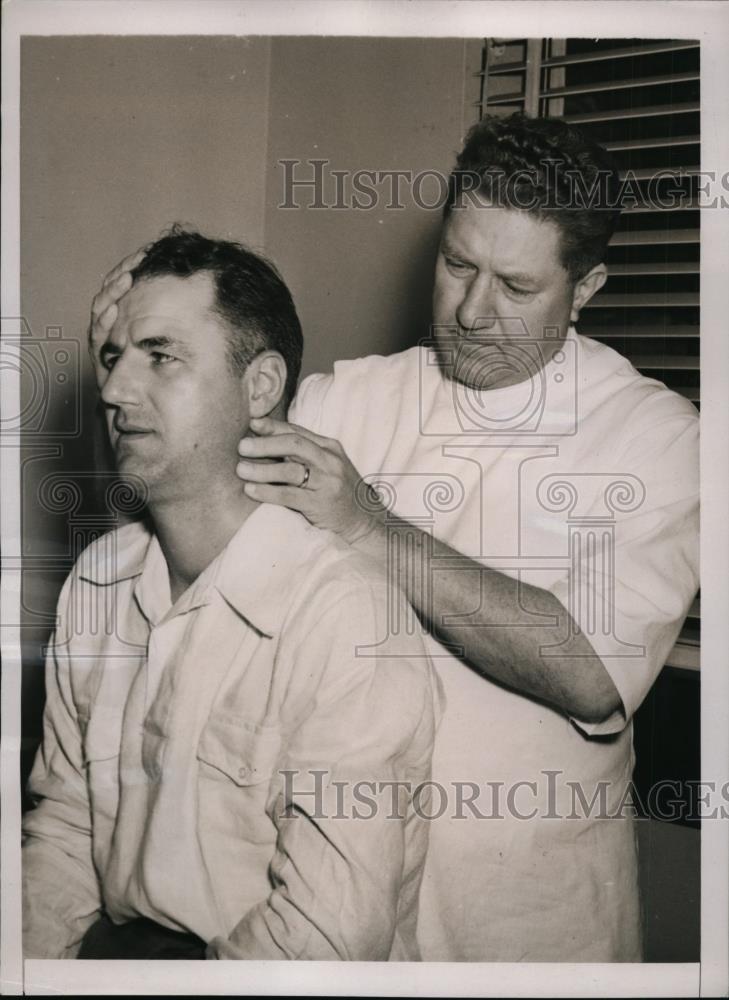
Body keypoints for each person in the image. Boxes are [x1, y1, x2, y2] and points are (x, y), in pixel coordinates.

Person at [91, 114, 699, 962]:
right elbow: (179, 523)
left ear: (586, 287)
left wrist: (370, 525)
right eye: (456, 266)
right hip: (335, 902)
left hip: (520, 921)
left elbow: (592, 675)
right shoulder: (348, 398)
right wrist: (126, 372)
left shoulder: (658, 437)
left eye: (516, 287)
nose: (474, 311)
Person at [22, 227, 440, 961]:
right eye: (114, 358)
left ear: (260, 387)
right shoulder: (97, 582)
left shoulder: (344, 618)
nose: (115, 390)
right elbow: (64, 832)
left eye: (162, 357)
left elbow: (320, 941)